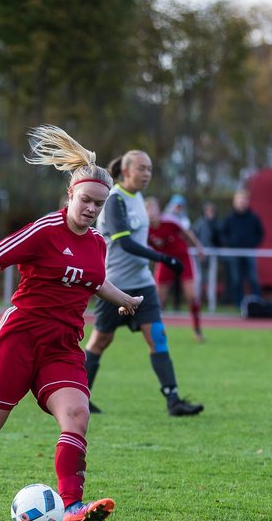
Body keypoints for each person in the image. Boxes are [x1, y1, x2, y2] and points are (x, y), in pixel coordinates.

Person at [0, 125, 144, 521]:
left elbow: (93, 282)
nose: (91, 209)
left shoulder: (98, 244)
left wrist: (123, 299)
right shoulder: (45, 230)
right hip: (20, 337)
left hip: (62, 346)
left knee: (76, 414)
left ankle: (72, 506)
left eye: (99, 204)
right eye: (86, 200)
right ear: (70, 196)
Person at [83, 148, 203, 417]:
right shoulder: (115, 200)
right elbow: (124, 243)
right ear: (125, 171)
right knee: (100, 341)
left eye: (149, 168)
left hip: (143, 283)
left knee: (157, 336)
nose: (146, 173)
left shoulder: (138, 198)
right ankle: (81, 396)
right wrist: (165, 258)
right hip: (114, 285)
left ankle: (173, 401)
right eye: (141, 168)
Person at [148, 197, 206, 342]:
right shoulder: (144, 228)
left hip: (182, 259)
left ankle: (197, 330)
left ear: (159, 209)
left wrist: (198, 248)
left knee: (192, 296)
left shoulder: (169, 221)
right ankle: (157, 331)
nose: (151, 212)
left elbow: (187, 233)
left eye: (153, 208)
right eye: (148, 209)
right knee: (158, 299)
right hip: (165, 261)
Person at [219, 189, 264, 308]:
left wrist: (252, 243)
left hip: (249, 252)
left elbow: (260, 234)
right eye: (240, 200)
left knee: (253, 277)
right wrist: (231, 243)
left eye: (244, 200)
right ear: (235, 201)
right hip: (234, 253)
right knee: (236, 279)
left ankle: (257, 303)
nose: (242, 202)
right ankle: (238, 304)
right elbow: (223, 235)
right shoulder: (229, 218)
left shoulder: (254, 217)